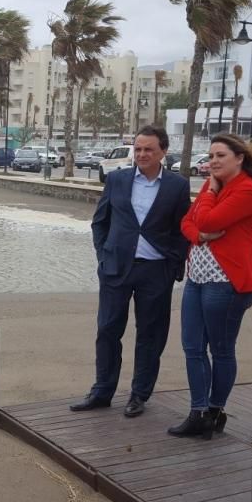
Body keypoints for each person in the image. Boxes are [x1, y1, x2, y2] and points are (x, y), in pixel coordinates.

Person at [70, 126, 191, 418]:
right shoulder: (117, 179)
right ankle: (102, 391)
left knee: (150, 335)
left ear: (162, 151)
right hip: (115, 270)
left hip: (155, 271)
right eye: (137, 149)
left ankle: (139, 395)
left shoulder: (177, 186)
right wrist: (103, 256)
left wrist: (173, 264)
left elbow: (182, 230)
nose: (141, 154)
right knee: (108, 330)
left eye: (148, 149)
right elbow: (100, 222)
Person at [168, 133, 252, 440]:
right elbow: (188, 223)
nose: (213, 162)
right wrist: (199, 234)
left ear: (239, 158)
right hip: (197, 279)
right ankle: (198, 413)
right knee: (192, 347)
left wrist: (207, 204)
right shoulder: (215, 188)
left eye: (220, 155)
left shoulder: (248, 191)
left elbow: (208, 220)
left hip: (227, 283)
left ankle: (214, 410)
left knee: (221, 350)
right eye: (210, 156)